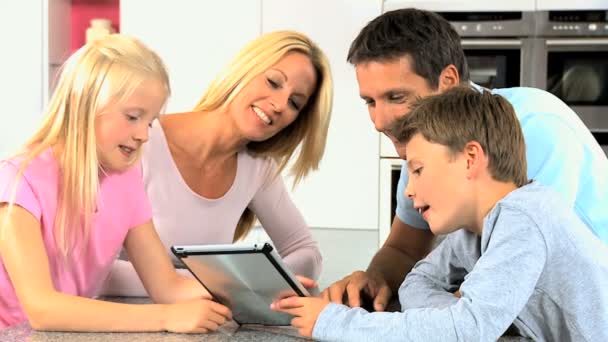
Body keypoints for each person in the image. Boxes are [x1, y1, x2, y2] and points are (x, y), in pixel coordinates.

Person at [324, 8, 608, 312]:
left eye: (396, 97)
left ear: (447, 81)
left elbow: (513, 278)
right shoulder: (424, 144)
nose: (379, 121)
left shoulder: (536, 131)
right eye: (370, 101)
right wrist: (375, 279)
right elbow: (404, 249)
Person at [271, 86, 608, 341]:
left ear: (470, 159)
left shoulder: (526, 217)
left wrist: (332, 322)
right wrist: (453, 314)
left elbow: (467, 331)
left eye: (417, 170)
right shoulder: (473, 234)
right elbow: (418, 282)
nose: (408, 190)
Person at [0, 34, 232, 332]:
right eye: (133, 117)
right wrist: (164, 317)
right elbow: (43, 309)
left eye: (149, 122)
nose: (144, 135)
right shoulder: (18, 181)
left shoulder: (126, 181)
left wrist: (258, 296)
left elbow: (167, 286)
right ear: (82, 103)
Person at [102, 30, 333, 296]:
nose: (280, 104)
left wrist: (249, 280)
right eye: (273, 82)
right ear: (244, 70)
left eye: (295, 103)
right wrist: (221, 283)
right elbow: (97, 269)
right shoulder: (143, 141)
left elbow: (307, 254)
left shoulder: (258, 168)